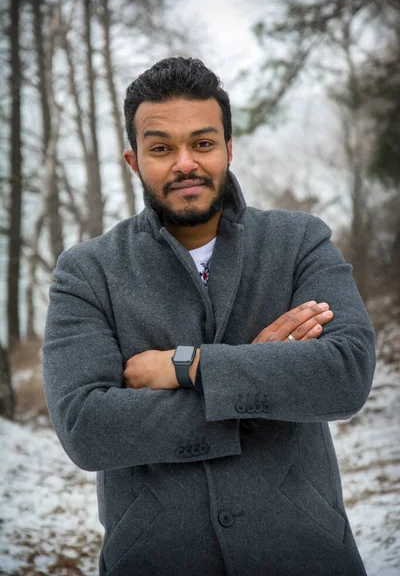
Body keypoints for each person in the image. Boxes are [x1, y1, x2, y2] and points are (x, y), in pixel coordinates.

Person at [42, 57, 375, 576]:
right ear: (134, 162)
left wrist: (189, 367)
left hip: (306, 556)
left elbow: (346, 374)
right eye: (161, 148)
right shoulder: (87, 272)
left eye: (202, 143)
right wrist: (262, 379)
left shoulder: (299, 241)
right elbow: (87, 429)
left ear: (227, 149)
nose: (185, 163)